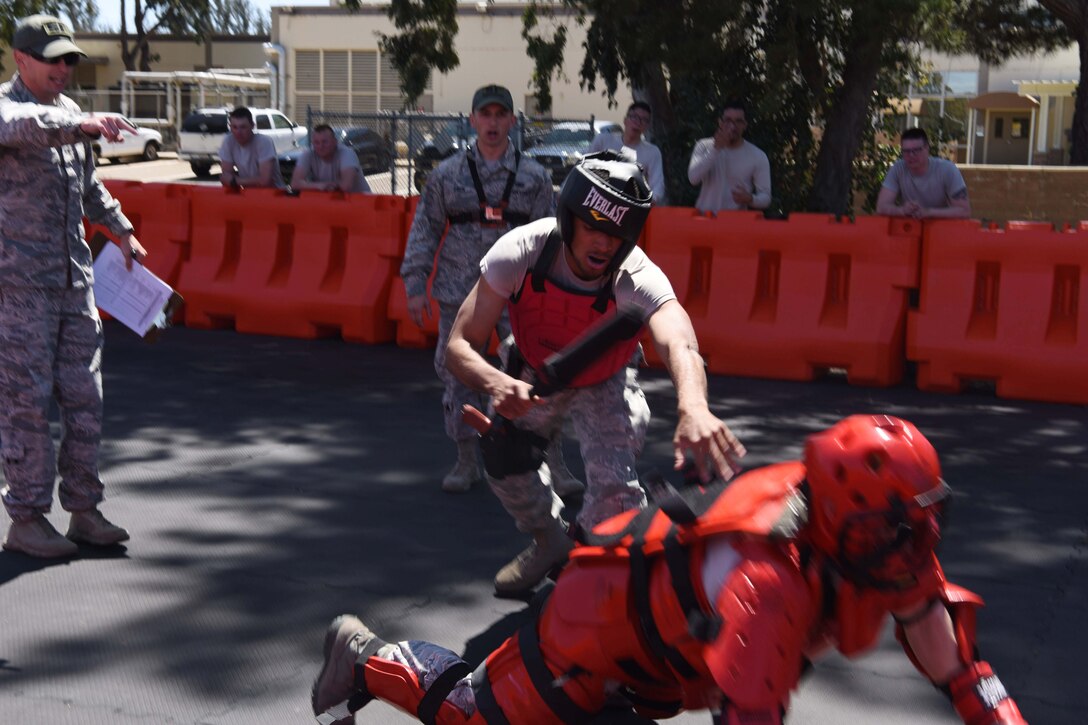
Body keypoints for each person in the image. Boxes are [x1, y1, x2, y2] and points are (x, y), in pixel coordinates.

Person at [312, 414, 1027, 725]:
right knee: (473, 715)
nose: (916, 547)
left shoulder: (885, 548)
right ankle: (363, 656)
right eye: (896, 526)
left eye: (922, 520)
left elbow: (961, 672)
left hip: (663, 663)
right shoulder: (767, 582)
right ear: (845, 516)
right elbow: (749, 713)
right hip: (590, 633)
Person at [444, 151, 747, 594]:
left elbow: (679, 340)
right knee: (504, 460)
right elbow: (459, 344)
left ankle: (594, 572)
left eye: (617, 234)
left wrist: (695, 405)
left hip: (604, 381)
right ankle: (550, 541)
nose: (604, 244)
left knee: (614, 498)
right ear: (569, 218)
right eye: (593, 227)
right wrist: (497, 382)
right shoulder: (522, 252)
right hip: (531, 374)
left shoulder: (636, 275)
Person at [0, 14, 146, 558]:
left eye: (68, 59)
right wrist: (81, 126)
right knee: (26, 403)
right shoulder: (11, 110)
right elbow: (22, 126)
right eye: (52, 58)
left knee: (86, 398)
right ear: (21, 59)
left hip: (73, 282)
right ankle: (28, 517)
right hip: (20, 288)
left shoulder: (70, 115)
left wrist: (123, 229)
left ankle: (83, 509)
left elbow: (89, 186)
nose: (64, 67)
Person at [399, 84, 574, 496]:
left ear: (512, 121)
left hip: (519, 294)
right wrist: (414, 284)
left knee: (538, 374)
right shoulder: (446, 175)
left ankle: (554, 463)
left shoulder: (534, 177)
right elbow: (424, 228)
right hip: (461, 293)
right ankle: (465, 461)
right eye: (486, 114)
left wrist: (557, 294)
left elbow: (552, 240)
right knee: (458, 374)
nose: (493, 123)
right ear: (473, 120)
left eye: (501, 115)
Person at [687, 100, 771, 213]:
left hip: (735, 224)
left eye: (738, 121)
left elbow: (766, 197)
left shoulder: (757, 156)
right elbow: (693, 178)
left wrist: (751, 199)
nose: (732, 126)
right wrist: (715, 149)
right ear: (720, 122)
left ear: (745, 125)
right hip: (704, 220)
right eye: (728, 120)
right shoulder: (704, 146)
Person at [877, 128, 971, 219]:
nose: (911, 155)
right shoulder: (898, 169)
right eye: (906, 151)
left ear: (927, 148)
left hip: (941, 227)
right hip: (911, 227)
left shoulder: (948, 170)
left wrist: (929, 212)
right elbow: (881, 207)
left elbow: (964, 211)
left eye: (916, 150)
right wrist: (902, 211)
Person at [588, 101, 666, 204]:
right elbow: (583, 166)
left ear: (647, 126)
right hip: (598, 200)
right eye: (634, 117)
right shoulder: (603, 140)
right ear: (625, 120)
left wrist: (650, 201)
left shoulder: (652, 152)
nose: (638, 122)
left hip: (632, 205)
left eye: (644, 120)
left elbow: (657, 185)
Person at [289, 123, 371, 194]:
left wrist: (309, 185)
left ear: (335, 142)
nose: (320, 146)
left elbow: (346, 186)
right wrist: (320, 186)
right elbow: (295, 184)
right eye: (316, 142)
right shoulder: (308, 154)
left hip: (360, 200)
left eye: (325, 142)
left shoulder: (347, 153)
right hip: (331, 201)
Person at [218, 106, 285, 189]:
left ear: (252, 126)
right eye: (234, 127)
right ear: (230, 127)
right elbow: (226, 177)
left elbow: (265, 181)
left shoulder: (264, 142)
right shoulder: (228, 141)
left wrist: (234, 181)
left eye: (243, 127)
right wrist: (233, 181)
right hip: (248, 194)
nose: (238, 132)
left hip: (273, 194)